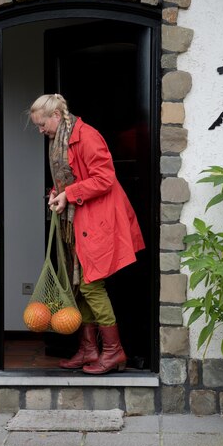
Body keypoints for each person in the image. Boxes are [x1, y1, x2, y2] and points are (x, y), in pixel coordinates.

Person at [29, 94, 145, 374]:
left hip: (99, 220)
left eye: (42, 124)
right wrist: (58, 193)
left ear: (56, 115)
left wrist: (69, 194)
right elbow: (70, 177)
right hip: (79, 221)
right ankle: (89, 350)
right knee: (79, 285)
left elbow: (104, 179)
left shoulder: (88, 136)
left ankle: (114, 352)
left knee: (92, 285)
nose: (40, 130)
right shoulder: (59, 141)